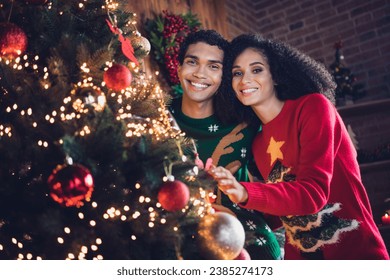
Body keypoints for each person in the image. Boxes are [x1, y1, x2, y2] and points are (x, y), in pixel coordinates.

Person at [210, 33, 389, 260]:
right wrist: (228, 206)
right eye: (237, 73)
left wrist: (245, 191)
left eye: (257, 70)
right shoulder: (258, 143)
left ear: (275, 75)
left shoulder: (314, 107)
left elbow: (314, 195)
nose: (245, 80)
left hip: (356, 255)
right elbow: (286, 210)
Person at [169, 30, 281, 260]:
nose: (200, 73)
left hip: (244, 231)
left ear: (224, 77)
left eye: (213, 66)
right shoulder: (158, 118)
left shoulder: (245, 120)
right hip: (177, 230)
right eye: (192, 62)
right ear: (179, 68)